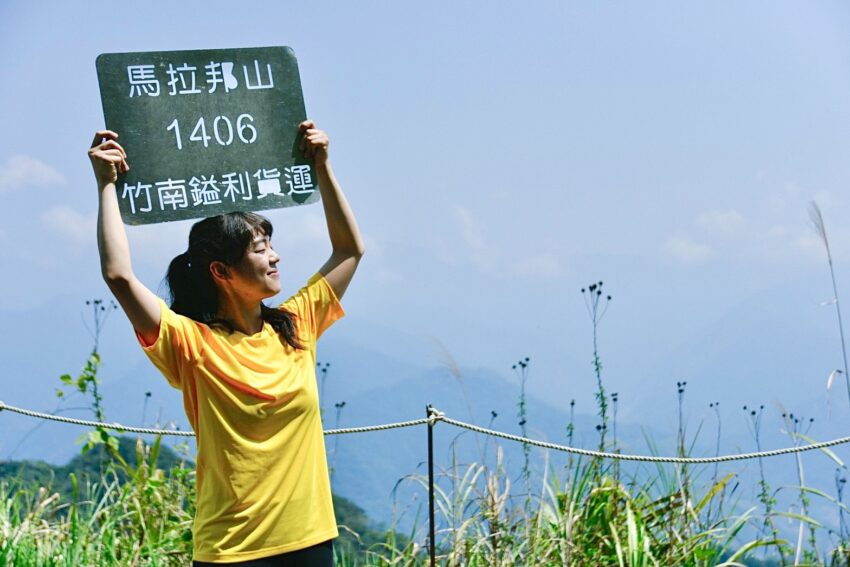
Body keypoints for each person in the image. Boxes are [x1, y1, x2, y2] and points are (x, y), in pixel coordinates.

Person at [88, 120, 365, 566]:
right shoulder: (190, 344)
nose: (275, 256)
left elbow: (350, 250)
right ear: (222, 272)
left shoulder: (295, 325)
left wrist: (323, 167)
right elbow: (119, 276)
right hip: (232, 552)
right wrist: (106, 185)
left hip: (312, 541)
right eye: (260, 249)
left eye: (270, 245)